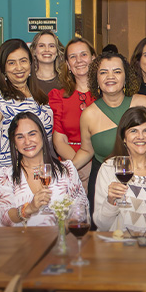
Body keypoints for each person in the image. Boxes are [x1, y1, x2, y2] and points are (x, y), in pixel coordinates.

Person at [72, 51, 146, 204]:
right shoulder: (88, 114)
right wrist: (66, 169)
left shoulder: (144, 104)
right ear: (96, 79)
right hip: (103, 184)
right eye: (103, 72)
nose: (110, 76)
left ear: (126, 78)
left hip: (144, 181)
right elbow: (87, 150)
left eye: (117, 71)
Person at [0, 112, 87, 227]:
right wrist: (28, 209)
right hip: (22, 242)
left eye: (32, 134)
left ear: (42, 135)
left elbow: (82, 209)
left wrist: (64, 225)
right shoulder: (5, 176)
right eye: (20, 137)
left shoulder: (67, 170)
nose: (27, 141)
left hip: (60, 240)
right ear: (14, 143)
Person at [93, 107, 146, 232]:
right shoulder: (109, 169)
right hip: (116, 248)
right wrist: (111, 201)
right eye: (133, 131)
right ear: (124, 138)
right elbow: (101, 225)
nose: (140, 136)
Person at [0, 39, 53, 168]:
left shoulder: (40, 98)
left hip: (40, 173)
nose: (19, 68)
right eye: (11, 63)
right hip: (9, 177)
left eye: (23, 61)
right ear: (3, 68)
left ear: (31, 64)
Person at [49, 37, 97, 189]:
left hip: (101, 164)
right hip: (70, 165)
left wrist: (91, 167)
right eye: (73, 57)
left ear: (93, 59)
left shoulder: (107, 95)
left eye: (83, 55)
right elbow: (59, 141)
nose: (79, 60)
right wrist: (78, 166)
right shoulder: (58, 97)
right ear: (68, 65)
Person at [31, 30, 65, 95]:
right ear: (34, 51)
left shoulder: (67, 81)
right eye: (41, 46)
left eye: (51, 46)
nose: (47, 50)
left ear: (57, 51)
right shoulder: (27, 81)